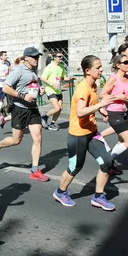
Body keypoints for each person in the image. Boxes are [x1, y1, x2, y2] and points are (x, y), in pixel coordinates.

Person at [52, 55, 118, 210]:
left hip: (92, 132)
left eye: (101, 66)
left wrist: (102, 110)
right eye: (98, 67)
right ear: (88, 70)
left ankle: (98, 196)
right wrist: (101, 104)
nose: (102, 69)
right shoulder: (83, 88)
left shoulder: (94, 84)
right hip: (78, 135)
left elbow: (93, 104)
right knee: (75, 167)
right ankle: (60, 192)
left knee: (107, 162)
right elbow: (80, 112)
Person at [0, 47, 49, 182]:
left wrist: (39, 91)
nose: (37, 59)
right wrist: (22, 95)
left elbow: (30, 89)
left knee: (38, 138)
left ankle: (34, 170)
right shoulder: (19, 70)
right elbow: (6, 87)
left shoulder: (33, 71)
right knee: (16, 140)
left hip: (33, 109)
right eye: (34, 57)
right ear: (26, 58)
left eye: (38, 57)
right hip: (20, 109)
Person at [99, 54, 128, 175]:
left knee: (121, 142)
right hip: (114, 112)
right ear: (118, 65)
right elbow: (102, 94)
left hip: (124, 111)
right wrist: (118, 97)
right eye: (125, 62)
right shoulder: (113, 78)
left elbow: (126, 94)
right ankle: (108, 161)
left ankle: (111, 163)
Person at [40, 51, 74, 131]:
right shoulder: (49, 67)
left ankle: (52, 123)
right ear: (54, 57)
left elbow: (62, 77)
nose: (61, 58)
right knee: (57, 108)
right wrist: (52, 84)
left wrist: (69, 78)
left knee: (60, 108)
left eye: (62, 56)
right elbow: (42, 78)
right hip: (50, 89)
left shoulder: (61, 66)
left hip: (58, 90)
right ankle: (44, 116)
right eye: (59, 56)